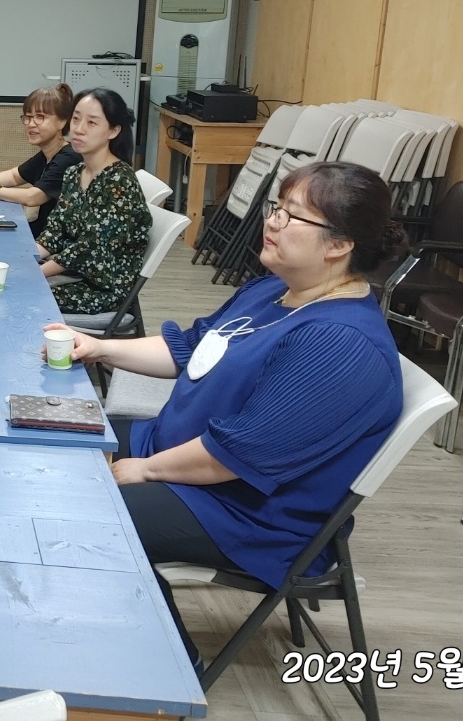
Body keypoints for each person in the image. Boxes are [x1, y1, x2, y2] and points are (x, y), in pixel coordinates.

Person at [46, 161, 406, 671]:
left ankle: (170, 668)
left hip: (244, 512)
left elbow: (237, 455)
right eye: (276, 207)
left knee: (85, 512)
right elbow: (192, 348)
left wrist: (144, 469)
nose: (272, 221)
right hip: (180, 453)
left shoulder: (340, 342)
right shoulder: (273, 290)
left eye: (292, 215)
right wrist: (99, 347)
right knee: (54, 438)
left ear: (339, 245)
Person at [36, 87, 150, 313]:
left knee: (16, 293)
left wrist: (34, 273)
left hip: (102, 287)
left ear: (113, 131)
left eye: (91, 123)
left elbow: (89, 248)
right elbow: (56, 231)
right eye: (76, 119)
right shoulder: (74, 173)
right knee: (8, 282)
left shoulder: (119, 181)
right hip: (74, 273)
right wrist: (24, 258)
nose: (78, 129)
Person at [0, 83, 80, 238]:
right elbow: (15, 176)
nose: (31, 124)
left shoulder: (69, 158)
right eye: (28, 117)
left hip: (54, 244)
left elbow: (33, 197)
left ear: (62, 121)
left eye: (40, 117)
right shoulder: (46, 154)